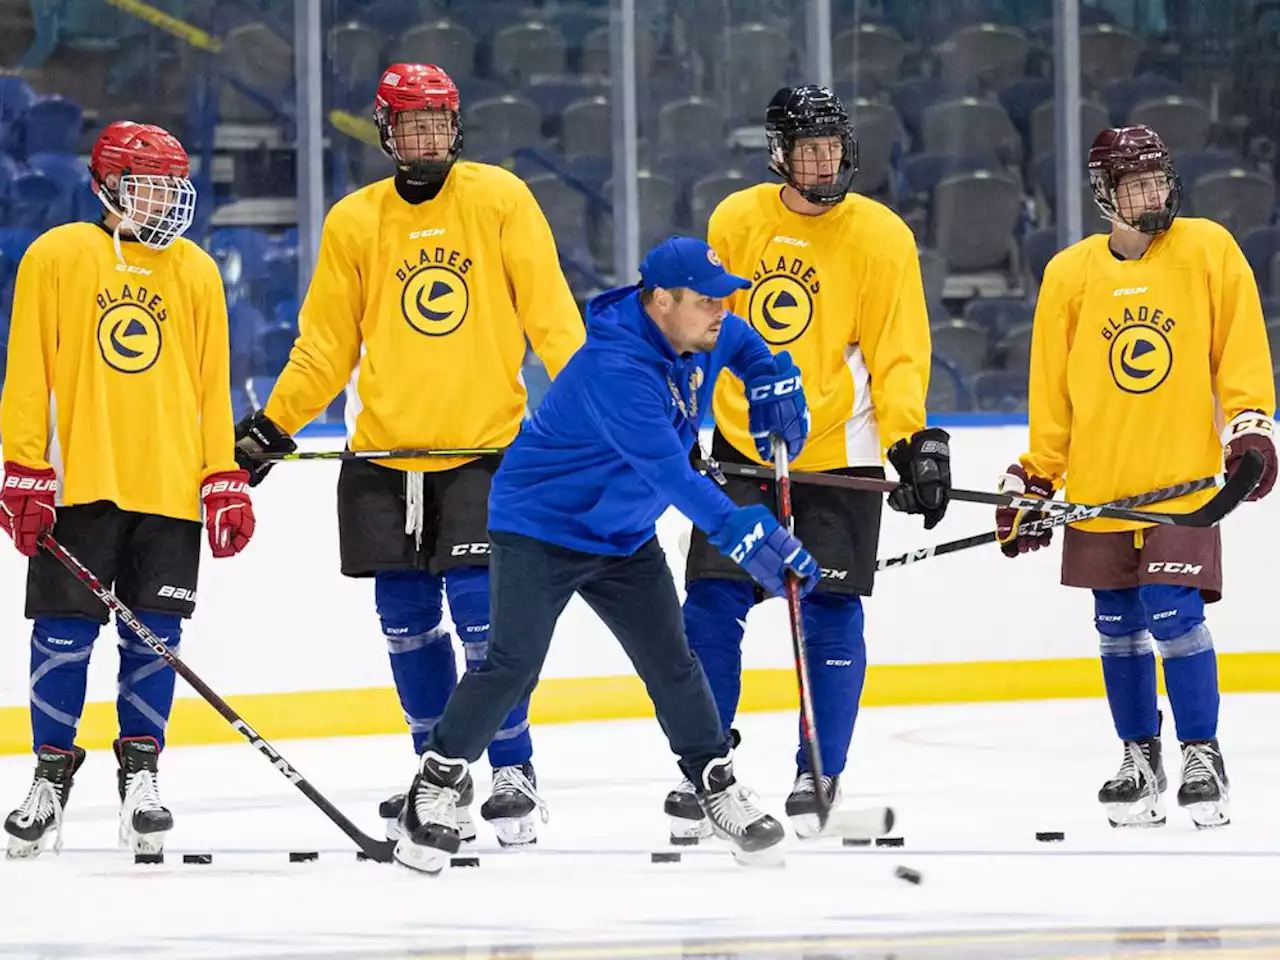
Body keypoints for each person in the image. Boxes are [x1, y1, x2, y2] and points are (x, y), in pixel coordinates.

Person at [233, 63, 585, 848]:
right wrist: (275, 423)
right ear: (386, 132)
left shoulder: (499, 199)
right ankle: (438, 776)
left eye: (437, 122)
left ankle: (513, 770)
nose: (426, 137)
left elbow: (552, 318)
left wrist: (599, 411)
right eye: (411, 124)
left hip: (483, 452)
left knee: (484, 623)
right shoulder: (355, 221)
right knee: (404, 623)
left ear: (455, 126)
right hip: (384, 459)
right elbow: (325, 346)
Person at [389, 236, 816, 874]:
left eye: (723, 299)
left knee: (673, 662)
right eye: (706, 301)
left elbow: (746, 342)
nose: (720, 312)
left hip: (622, 535)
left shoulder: (699, 331)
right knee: (511, 667)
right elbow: (674, 476)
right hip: (540, 529)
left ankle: (715, 784)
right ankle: (437, 784)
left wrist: (770, 374)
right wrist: (746, 534)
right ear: (662, 301)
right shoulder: (616, 372)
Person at [670, 84, 950, 842]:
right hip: (741, 449)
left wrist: (910, 440)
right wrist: (684, 412)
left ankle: (817, 768)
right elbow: (706, 323)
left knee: (827, 611)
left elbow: (897, 351)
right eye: (808, 148)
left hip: (840, 454)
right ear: (779, 154)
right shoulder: (736, 219)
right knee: (711, 605)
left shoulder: (882, 235)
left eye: (832, 146)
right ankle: (708, 768)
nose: (824, 160)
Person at [996, 125, 1276, 829]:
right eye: (1136, 185)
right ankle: (1138, 757)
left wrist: (1250, 426)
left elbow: (1241, 349)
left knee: (1174, 614)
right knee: (1117, 625)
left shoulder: (1208, 249)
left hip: (1183, 490)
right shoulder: (1070, 273)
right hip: (1099, 489)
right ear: (1105, 194)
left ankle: (1202, 754)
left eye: (1158, 181)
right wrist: (1036, 477)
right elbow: (1053, 394)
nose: (1153, 195)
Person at [0, 121, 254, 858]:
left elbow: (212, 390)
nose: (163, 202)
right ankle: (49, 778)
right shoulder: (57, 256)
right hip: (80, 485)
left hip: (169, 493)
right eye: (146, 186)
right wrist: (24, 468)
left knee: (155, 642)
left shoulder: (197, 269)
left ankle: (141, 779)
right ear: (106, 186)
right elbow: (27, 375)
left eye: (172, 187)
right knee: (63, 635)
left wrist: (221, 478)